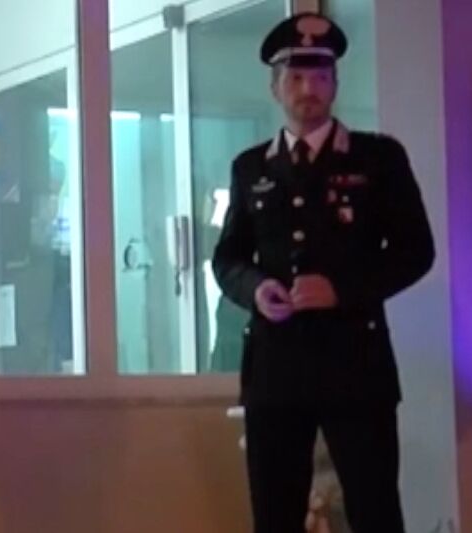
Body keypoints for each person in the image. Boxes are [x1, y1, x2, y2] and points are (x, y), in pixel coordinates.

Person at [212, 13, 434, 533]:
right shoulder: (251, 167)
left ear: (335, 84)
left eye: (320, 76)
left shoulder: (378, 158)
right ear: (274, 88)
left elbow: (415, 251)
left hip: (355, 364)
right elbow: (227, 259)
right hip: (275, 369)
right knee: (275, 516)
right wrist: (256, 289)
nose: (308, 89)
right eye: (295, 77)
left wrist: (340, 290)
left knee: (376, 512)